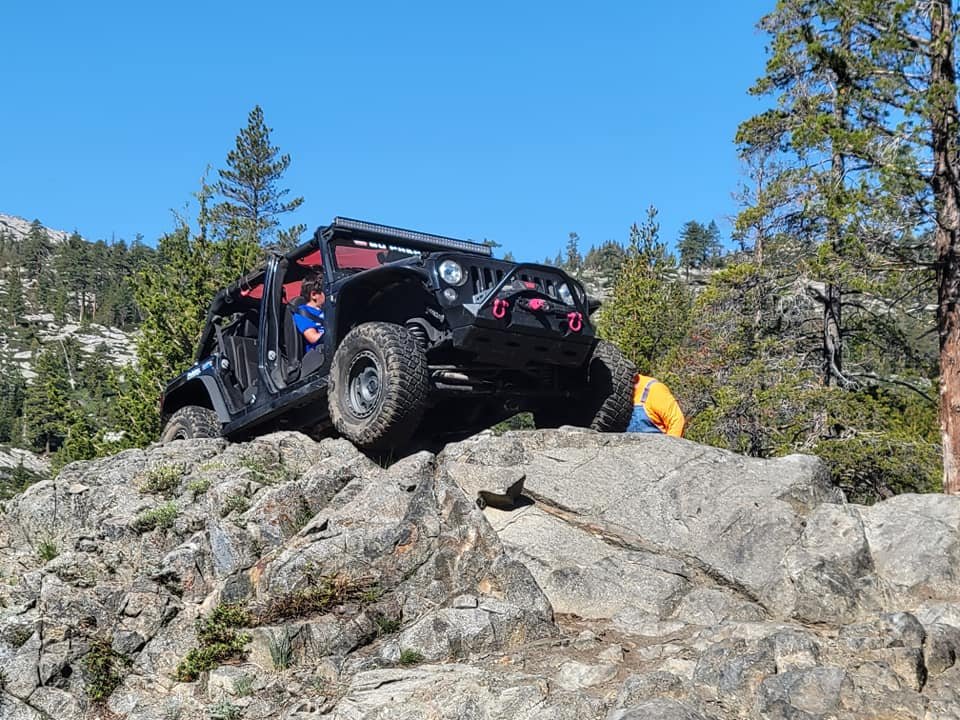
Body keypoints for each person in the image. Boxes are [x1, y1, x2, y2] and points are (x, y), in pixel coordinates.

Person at [292, 272, 325, 353]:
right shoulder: (303, 313)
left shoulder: (326, 310)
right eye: (325, 292)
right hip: (318, 354)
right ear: (314, 295)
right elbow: (313, 337)